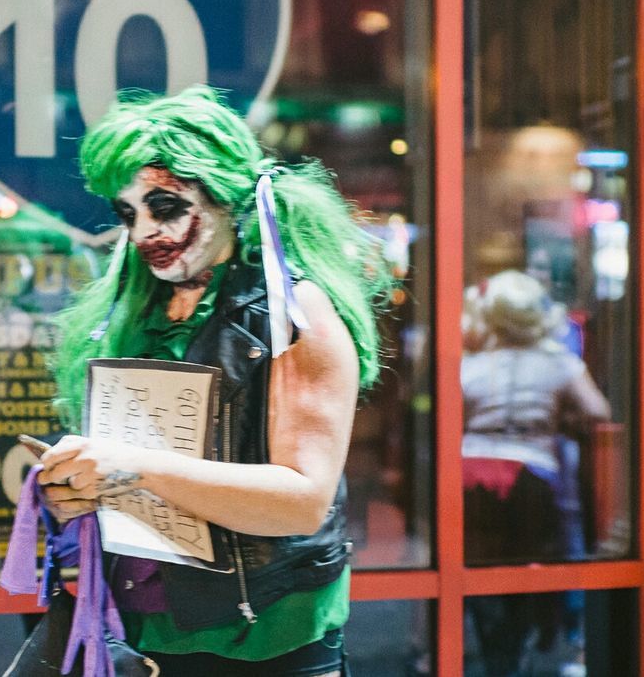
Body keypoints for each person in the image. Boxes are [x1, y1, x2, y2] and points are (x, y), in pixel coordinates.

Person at [34, 87, 394, 677]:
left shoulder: (293, 311)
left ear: (224, 195)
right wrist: (78, 490)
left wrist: (126, 464)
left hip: (268, 642)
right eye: (128, 214)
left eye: (166, 205)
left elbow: (302, 501)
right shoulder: (137, 316)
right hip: (151, 635)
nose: (145, 231)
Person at [460, 270, 611, 676]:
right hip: (532, 476)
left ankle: (498, 657)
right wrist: (558, 420)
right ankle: (526, 648)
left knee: (478, 573)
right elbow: (598, 413)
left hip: (471, 473)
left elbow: (450, 418)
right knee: (527, 571)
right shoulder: (560, 363)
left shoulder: (471, 365)